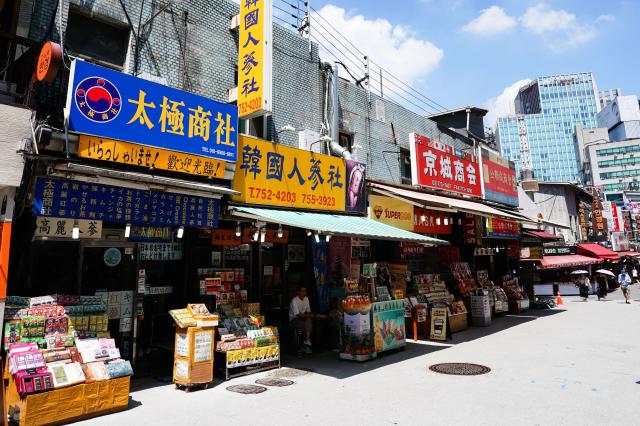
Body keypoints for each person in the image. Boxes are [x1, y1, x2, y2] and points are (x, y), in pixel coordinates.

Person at [289, 285, 313, 354]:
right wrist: (305, 315)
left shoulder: (306, 299)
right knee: (303, 325)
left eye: (305, 291)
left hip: (303, 318)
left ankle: (306, 342)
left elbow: (308, 311)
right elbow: (297, 315)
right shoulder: (294, 300)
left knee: (309, 321)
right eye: (302, 291)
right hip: (294, 319)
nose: (303, 293)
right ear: (298, 292)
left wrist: (306, 315)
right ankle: (304, 344)